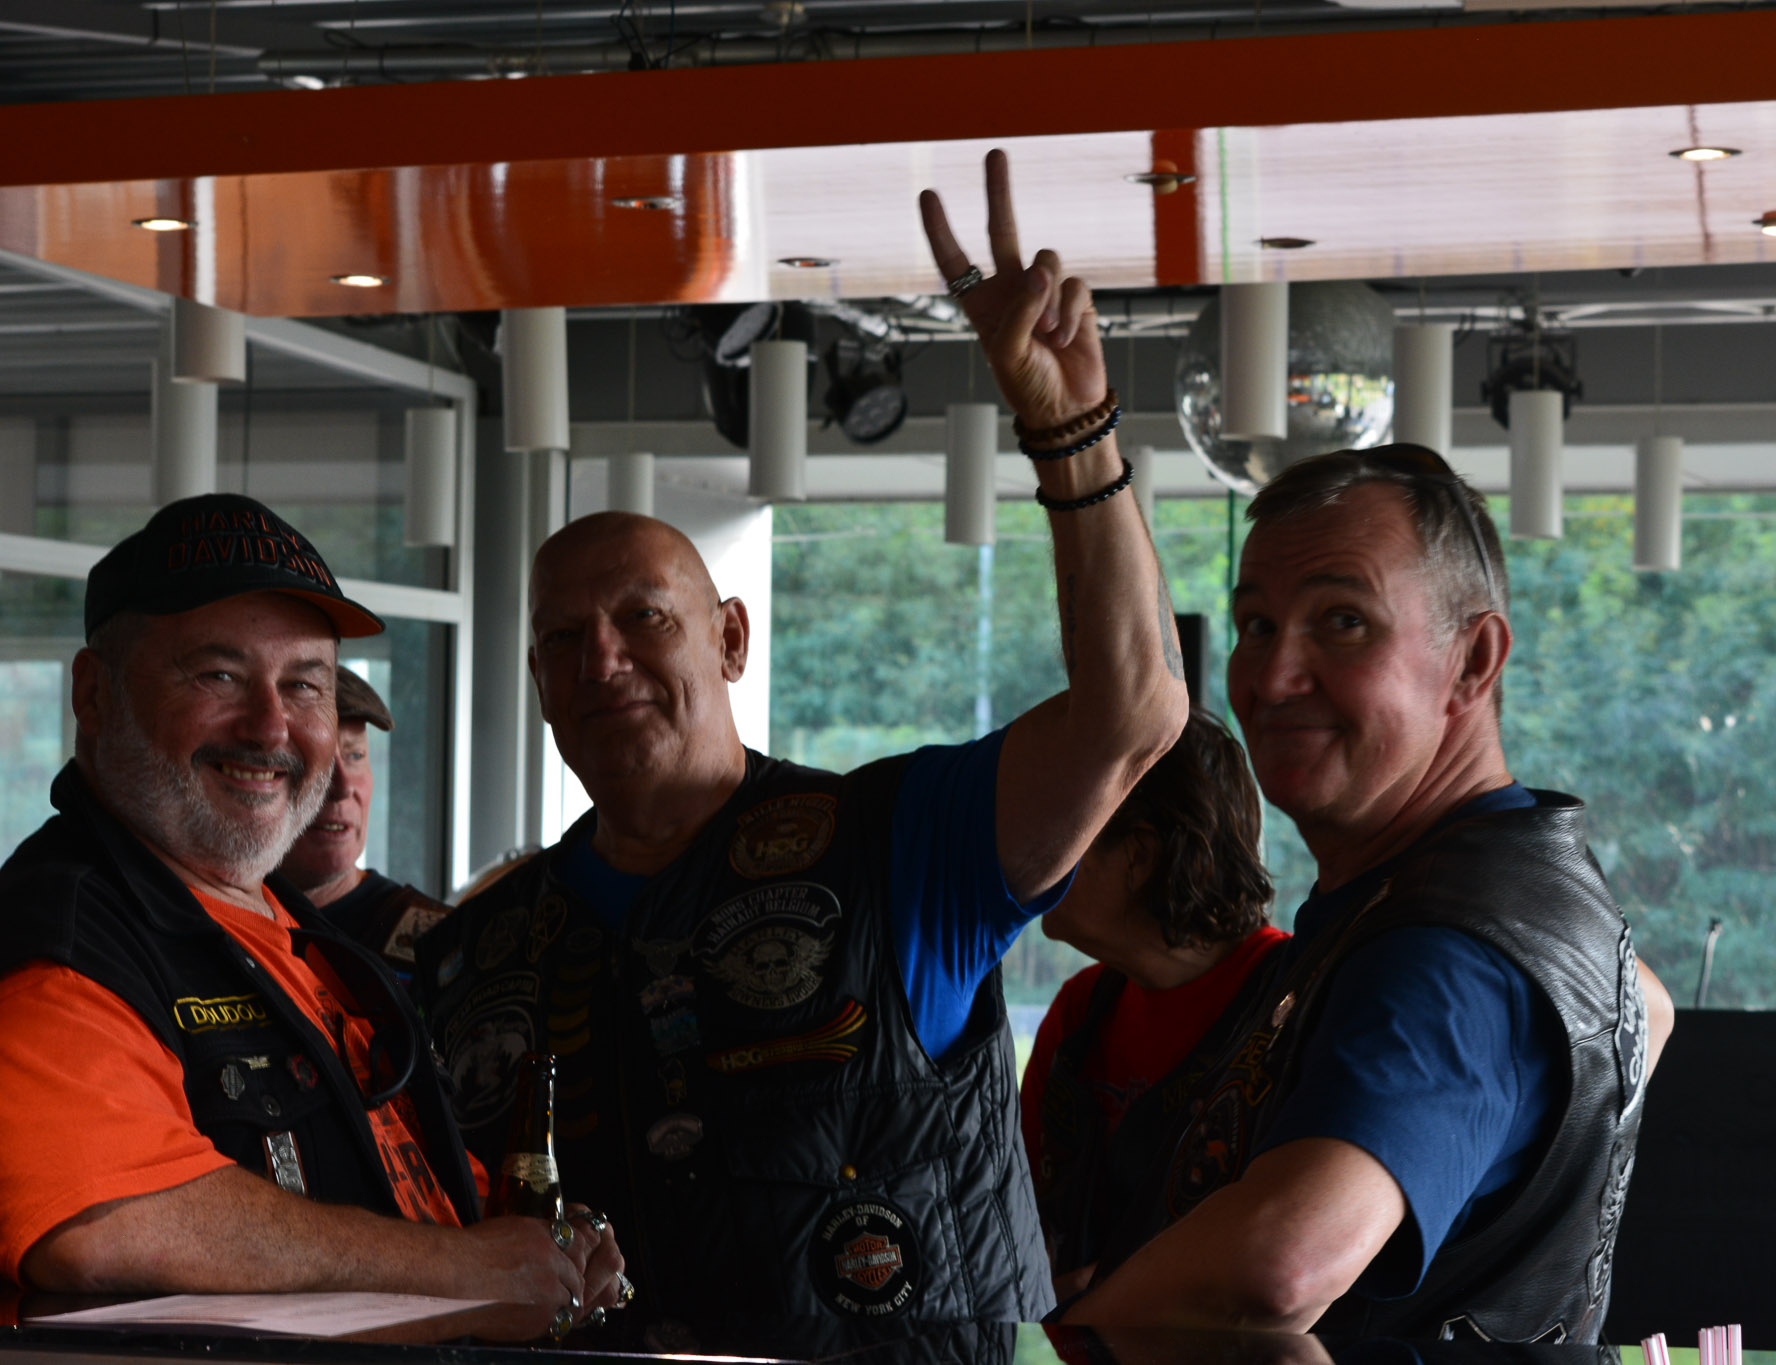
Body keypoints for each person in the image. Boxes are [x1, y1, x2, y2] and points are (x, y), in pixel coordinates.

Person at [418, 148, 1187, 1341]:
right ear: (536, 680)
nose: (601, 660)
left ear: (730, 639)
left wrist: (1070, 431)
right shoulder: (478, 954)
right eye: (563, 638)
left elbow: (1131, 715)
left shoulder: (895, 847)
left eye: (643, 619)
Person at [1064, 447, 1660, 1342]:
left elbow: (1281, 1269)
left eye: (1344, 621)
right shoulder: (1496, 880)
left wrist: (1092, 1324)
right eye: (1257, 624)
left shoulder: (1445, 949)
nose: (1273, 678)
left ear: (1474, 659)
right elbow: (1649, 1002)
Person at [0, 493, 620, 1330]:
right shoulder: (62, 941)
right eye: (218, 675)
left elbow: (396, 1178)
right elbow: (102, 1219)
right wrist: (468, 1267)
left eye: (304, 684)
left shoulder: (295, 934)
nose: (270, 727)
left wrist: (533, 1240)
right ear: (94, 693)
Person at [1021, 709, 1286, 1296]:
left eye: (1059, 824)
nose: (1030, 848)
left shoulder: (1293, 1004)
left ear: (1137, 856)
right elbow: (1017, 1223)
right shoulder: (1080, 1013)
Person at [278, 665, 450, 978]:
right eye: (314, 759)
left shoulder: (437, 941)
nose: (343, 787)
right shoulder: (211, 921)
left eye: (355, 756)